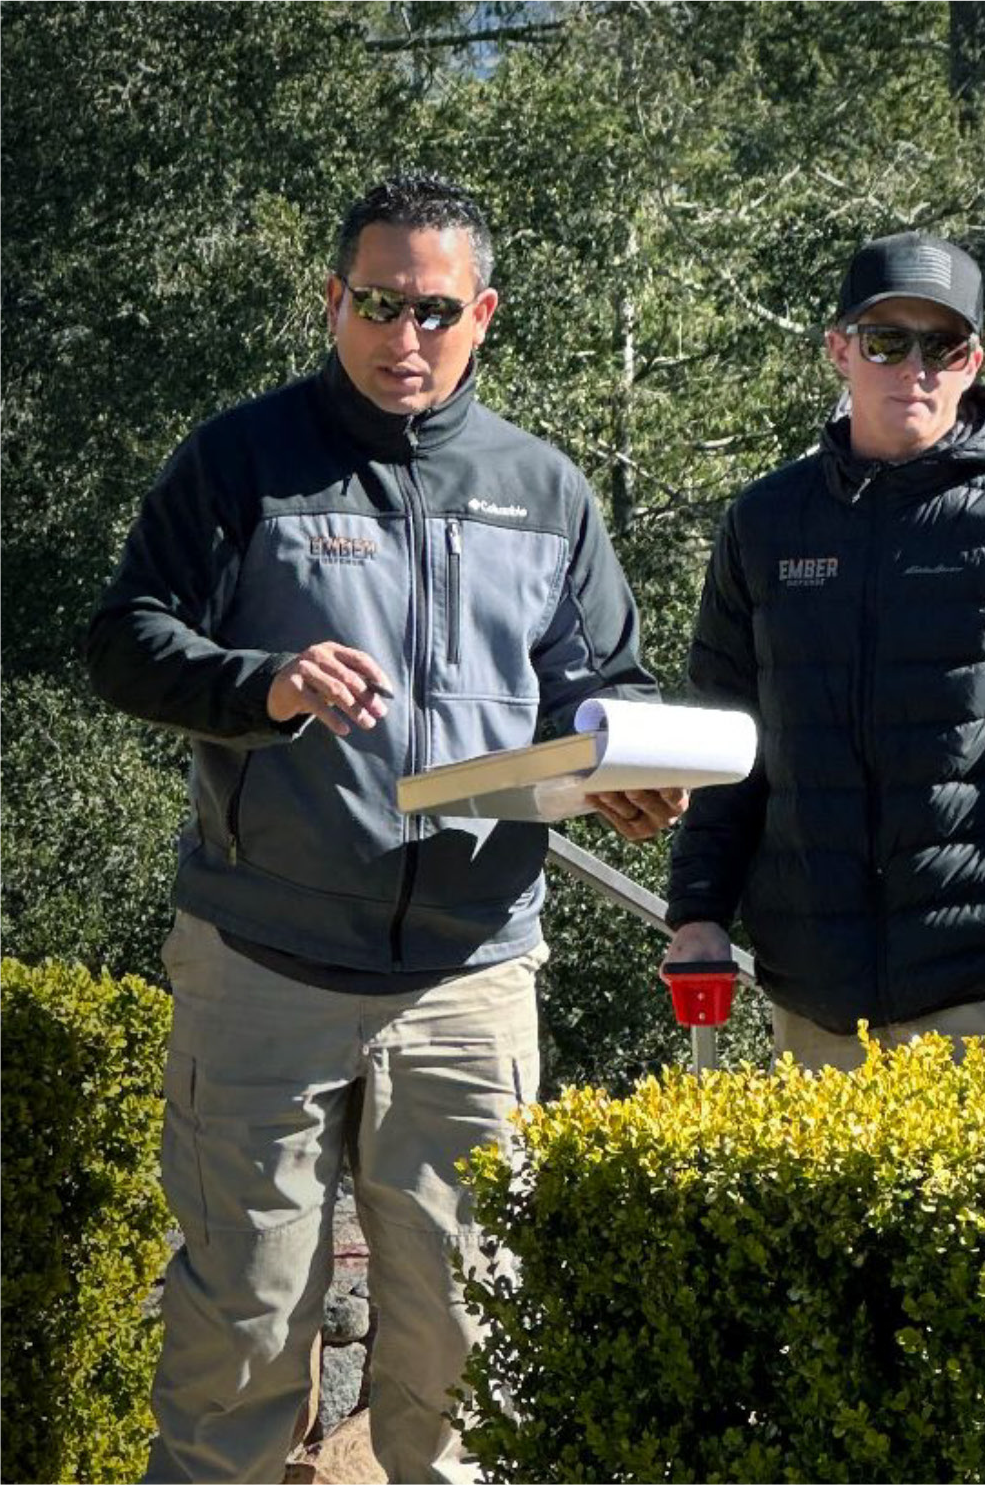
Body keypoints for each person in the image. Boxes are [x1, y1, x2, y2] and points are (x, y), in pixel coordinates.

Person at [87, 173, 683, 1485]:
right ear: (333, 299)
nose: (398, 338)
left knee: (468, 1355)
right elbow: (123, 645)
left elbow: (604, 686)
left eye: (429, 310)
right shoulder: (242, 460)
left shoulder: (543, 490)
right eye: (372, 304)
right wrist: (264, 685)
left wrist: (625, 769)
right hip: (264, 967)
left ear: (482, 315)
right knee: (235, 1338)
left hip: (472, 983)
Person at [663, 231, 985, 1070]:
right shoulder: (765, 524)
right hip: (810, 999)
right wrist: (697, 908)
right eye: (887, 341)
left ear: (972, 361)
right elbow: (724, 741)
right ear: (839, 351)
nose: (914, 368)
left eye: (942, 344)